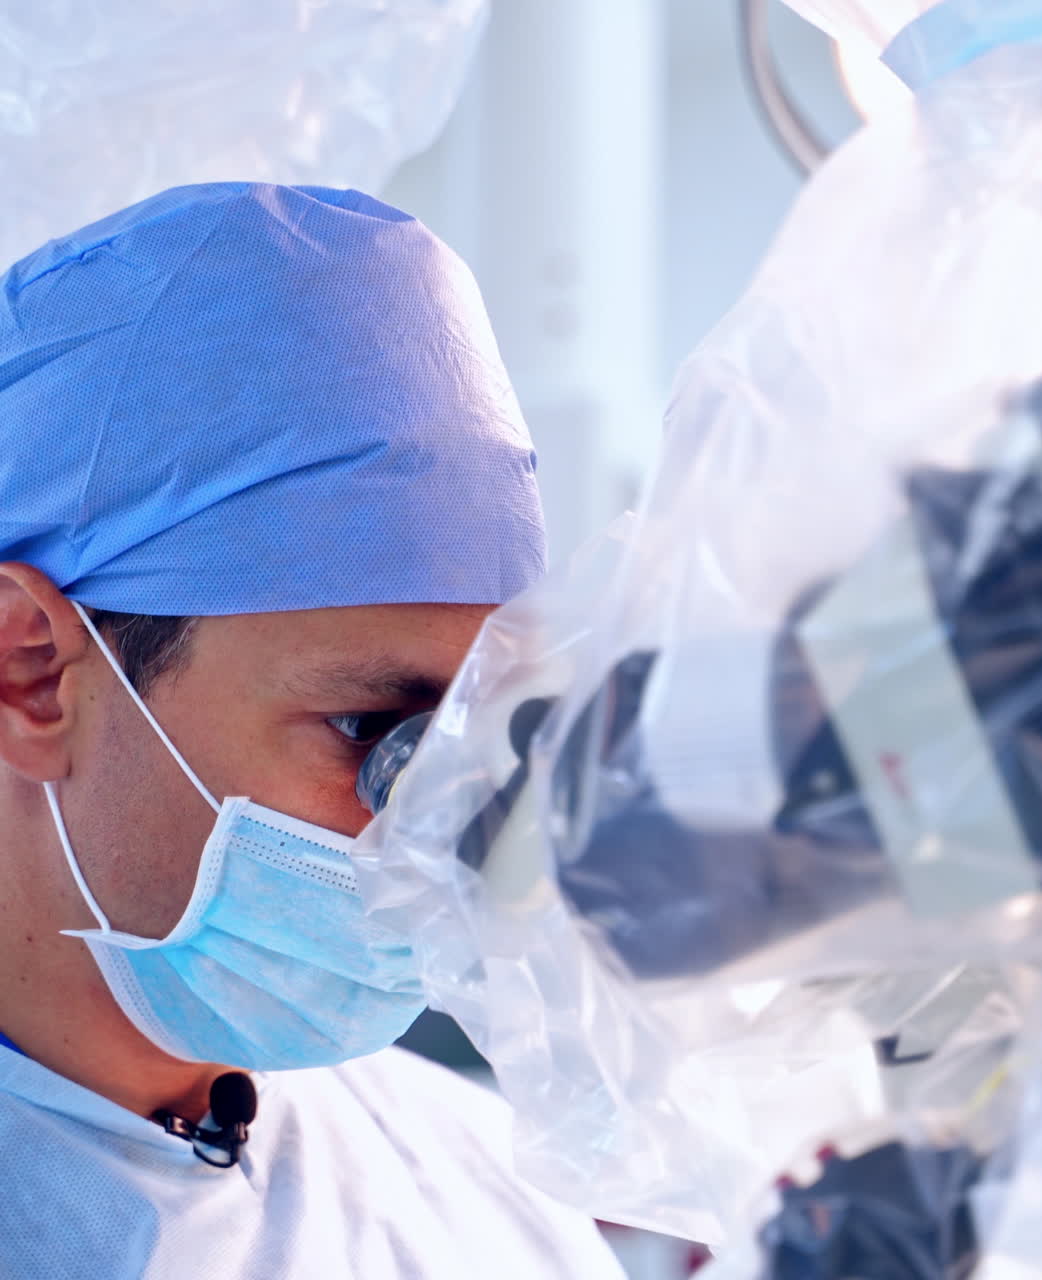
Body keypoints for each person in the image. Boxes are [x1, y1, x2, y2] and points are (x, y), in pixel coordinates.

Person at [0, 182, 625, 1278]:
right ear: (32, 672)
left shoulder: (496, 1199)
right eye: (378, 731)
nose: (444, 830)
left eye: (483, 736)